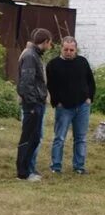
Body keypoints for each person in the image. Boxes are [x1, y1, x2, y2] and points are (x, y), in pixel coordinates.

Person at [46, 36, 96, 174]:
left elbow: (91, 82)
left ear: (76, 49)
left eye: (71, 50)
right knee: (59, 138)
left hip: (83, 106)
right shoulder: (53, 64)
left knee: (80, 138)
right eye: (66, 49)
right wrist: (57, 102)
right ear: (61, 48)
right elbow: (51, 86)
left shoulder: (82, 62)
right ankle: (56, 167)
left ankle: (79, 167)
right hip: (64, 108)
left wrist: (89, 98)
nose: (69, 52)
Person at [16, 28, 52, 181]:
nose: (50, 47)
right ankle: (23, 173)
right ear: (44, 42)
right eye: (50, 43)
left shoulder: (34, 54)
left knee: (35, 137)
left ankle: (28, 169)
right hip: (33, 104)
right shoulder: (30, 56)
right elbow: (27, 83)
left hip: (37, 102)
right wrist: (32, 105)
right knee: (29, 137)